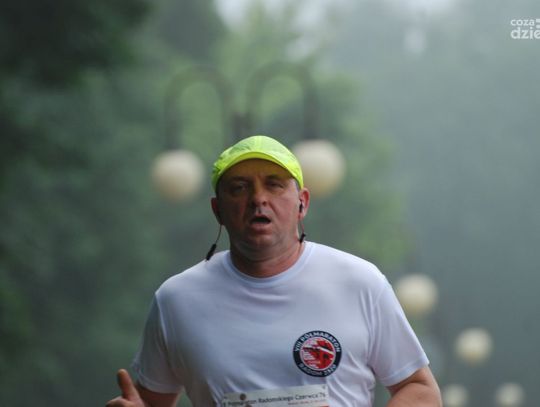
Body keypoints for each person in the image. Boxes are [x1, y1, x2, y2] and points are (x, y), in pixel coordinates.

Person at [107, 135, 442, 407]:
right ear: (217, 210)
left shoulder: (359, 282)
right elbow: (150, 401)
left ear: (303, 203)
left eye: (274, 185)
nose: (258, 199)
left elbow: (419, 390)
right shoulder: (176, 299)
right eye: (239, 188)